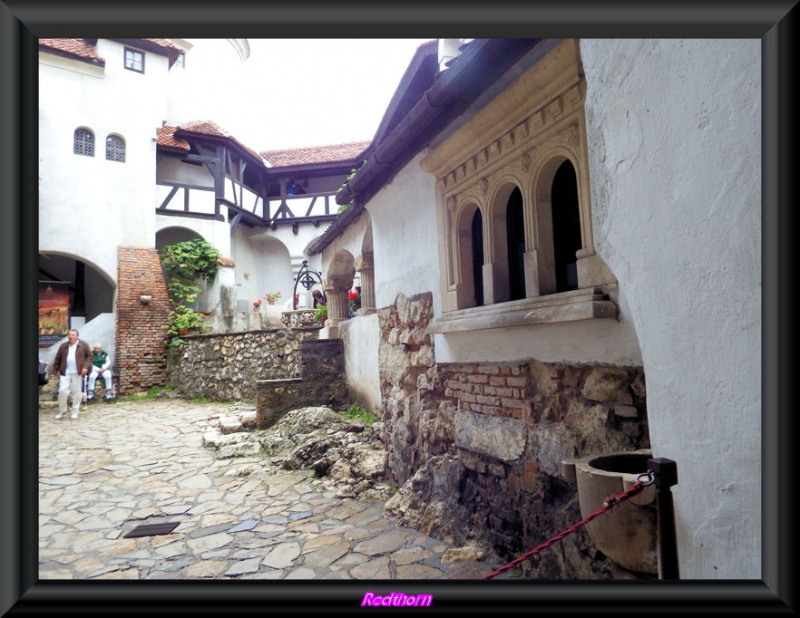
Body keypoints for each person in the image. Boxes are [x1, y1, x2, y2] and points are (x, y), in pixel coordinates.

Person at [51, 328, 92, 419]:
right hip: (65, 372)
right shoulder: (63, 346)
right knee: (62, 391)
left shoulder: (83, 345)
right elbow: (57, 359)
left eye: (73, 335)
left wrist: (85, 367)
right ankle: (62, 410)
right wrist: (54, 371)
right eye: (69, 334)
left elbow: (90, 356)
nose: (70, 336)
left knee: (77, 393)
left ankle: (75, 411)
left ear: (77, 336)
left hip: (78, 372)